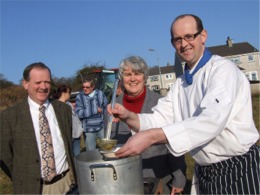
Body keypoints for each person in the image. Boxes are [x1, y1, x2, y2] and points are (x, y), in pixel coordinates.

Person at [108, 14, 260, 195]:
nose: (184, 44)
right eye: (177, 39)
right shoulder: (180, 83)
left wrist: (151, 137)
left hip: (237, 168)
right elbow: (161, 117)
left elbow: (210, 121)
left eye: (189, 36)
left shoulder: (223, 71)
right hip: (205, 170)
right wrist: (129, 116)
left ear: (203, 36)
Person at [111, 56, 186, 194]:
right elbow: (109, 146)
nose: (132, 79)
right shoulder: (112, 108)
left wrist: (179, 179)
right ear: (122, 78)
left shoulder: (161, 103)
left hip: (158, 177)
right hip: (124, 180)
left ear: (145, 77)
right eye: (127, 74)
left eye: (137, 74)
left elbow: (174, 142)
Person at [0, 62, 76, 194]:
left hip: (66, 183)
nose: (43, 87)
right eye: (38, 82)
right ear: (25, 84)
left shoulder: (63, 110)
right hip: (32, 188)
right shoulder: (9, 116)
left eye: (47, 82)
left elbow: (68, 145)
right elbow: (5, 156)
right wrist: (23, 179)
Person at [75, 78, 108, 151]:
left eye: (87, 87)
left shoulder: (100, 94)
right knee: (91, 152)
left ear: (93, 87)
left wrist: (103, 111)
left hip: (101, 126)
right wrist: (94, 110)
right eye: (83, 87)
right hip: (88, 129)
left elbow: (106, 108)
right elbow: (79, 113)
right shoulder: (79, 97)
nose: (85, 89)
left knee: (106, 149)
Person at [52, 85, 82, 157]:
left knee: (77, 156)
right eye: (69, 92)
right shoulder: (56, 106)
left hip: (76, 135)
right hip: (68, 137)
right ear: (63, 93)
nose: (70, 94)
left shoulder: (69, 104)